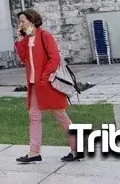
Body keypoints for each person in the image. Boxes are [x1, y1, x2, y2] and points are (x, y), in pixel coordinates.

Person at [14, 9, 82, 164]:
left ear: (32, 20)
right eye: (19, 22)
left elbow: (54, 58)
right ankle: (34, 152)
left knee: (61, 116)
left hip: (48, 85)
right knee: (34, 116)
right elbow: (25, 59)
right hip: (34, 86)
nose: (20, 24)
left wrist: (44, 77)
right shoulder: (27, 39)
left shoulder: (45, 36)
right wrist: (19, 40)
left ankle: (76, 149)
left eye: (22, 21)